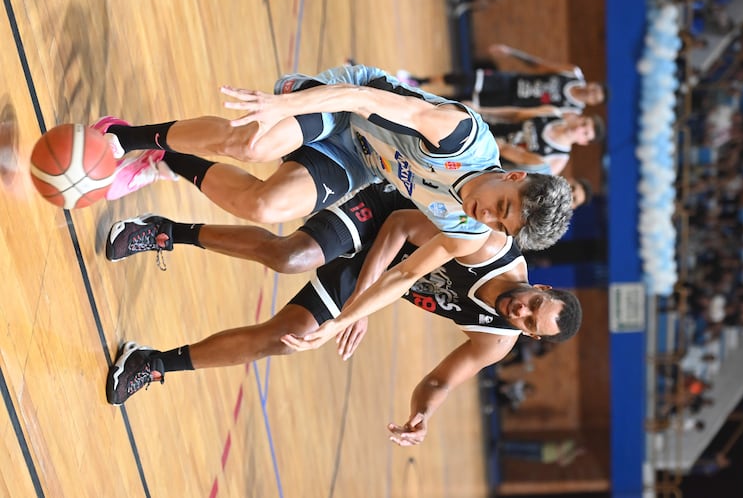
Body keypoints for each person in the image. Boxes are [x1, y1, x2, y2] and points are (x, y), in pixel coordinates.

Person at [96, 65, 573, 348]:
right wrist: (284, 108)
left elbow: (405, 276)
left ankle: (165, 157)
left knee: (266, 205)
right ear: (512, 176)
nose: (485, 215)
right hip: (347, 103)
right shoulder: (458, 136)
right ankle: (124, 137)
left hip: (361, 159)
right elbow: (364, 98)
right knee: (251, 145)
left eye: (498, 222)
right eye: (500, 203)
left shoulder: (467, 231)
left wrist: (344, 319)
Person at [106, 183, 582, 447]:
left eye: (528, 322)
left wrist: (422, 414)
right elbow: (398, 227)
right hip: (382, 213)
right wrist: (361, 305)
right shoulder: (490, 248)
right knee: (291, 255)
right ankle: (166, 231)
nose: (521, 310)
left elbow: (439, 382)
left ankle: (152, 363)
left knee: (286, 338)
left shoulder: (496, 339)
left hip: (380, 277)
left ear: (528, 336)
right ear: (540, 287)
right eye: (534, 303)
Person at [398, 44, 605, 113]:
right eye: (595, 89)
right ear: (593, 84)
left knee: (460, 102)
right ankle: (419, 81)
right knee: (463, 78)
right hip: (511, 81)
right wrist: (511, 52)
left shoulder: (572, 110)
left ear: (592, 103)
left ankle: (418, 101)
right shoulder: (573, 73)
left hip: (510, 102)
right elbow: (540, 65)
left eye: (595, 97)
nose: (591, 93)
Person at [493, 111, 605, 175]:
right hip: (491, 127)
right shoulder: (554, 113)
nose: (579, 129)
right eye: (584, 123)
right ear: (581, 118)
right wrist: (482, 110)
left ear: (583, 142)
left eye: (585, 133)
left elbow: (519, 176)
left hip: (491, 158)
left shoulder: (558, 160)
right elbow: (516, 114)